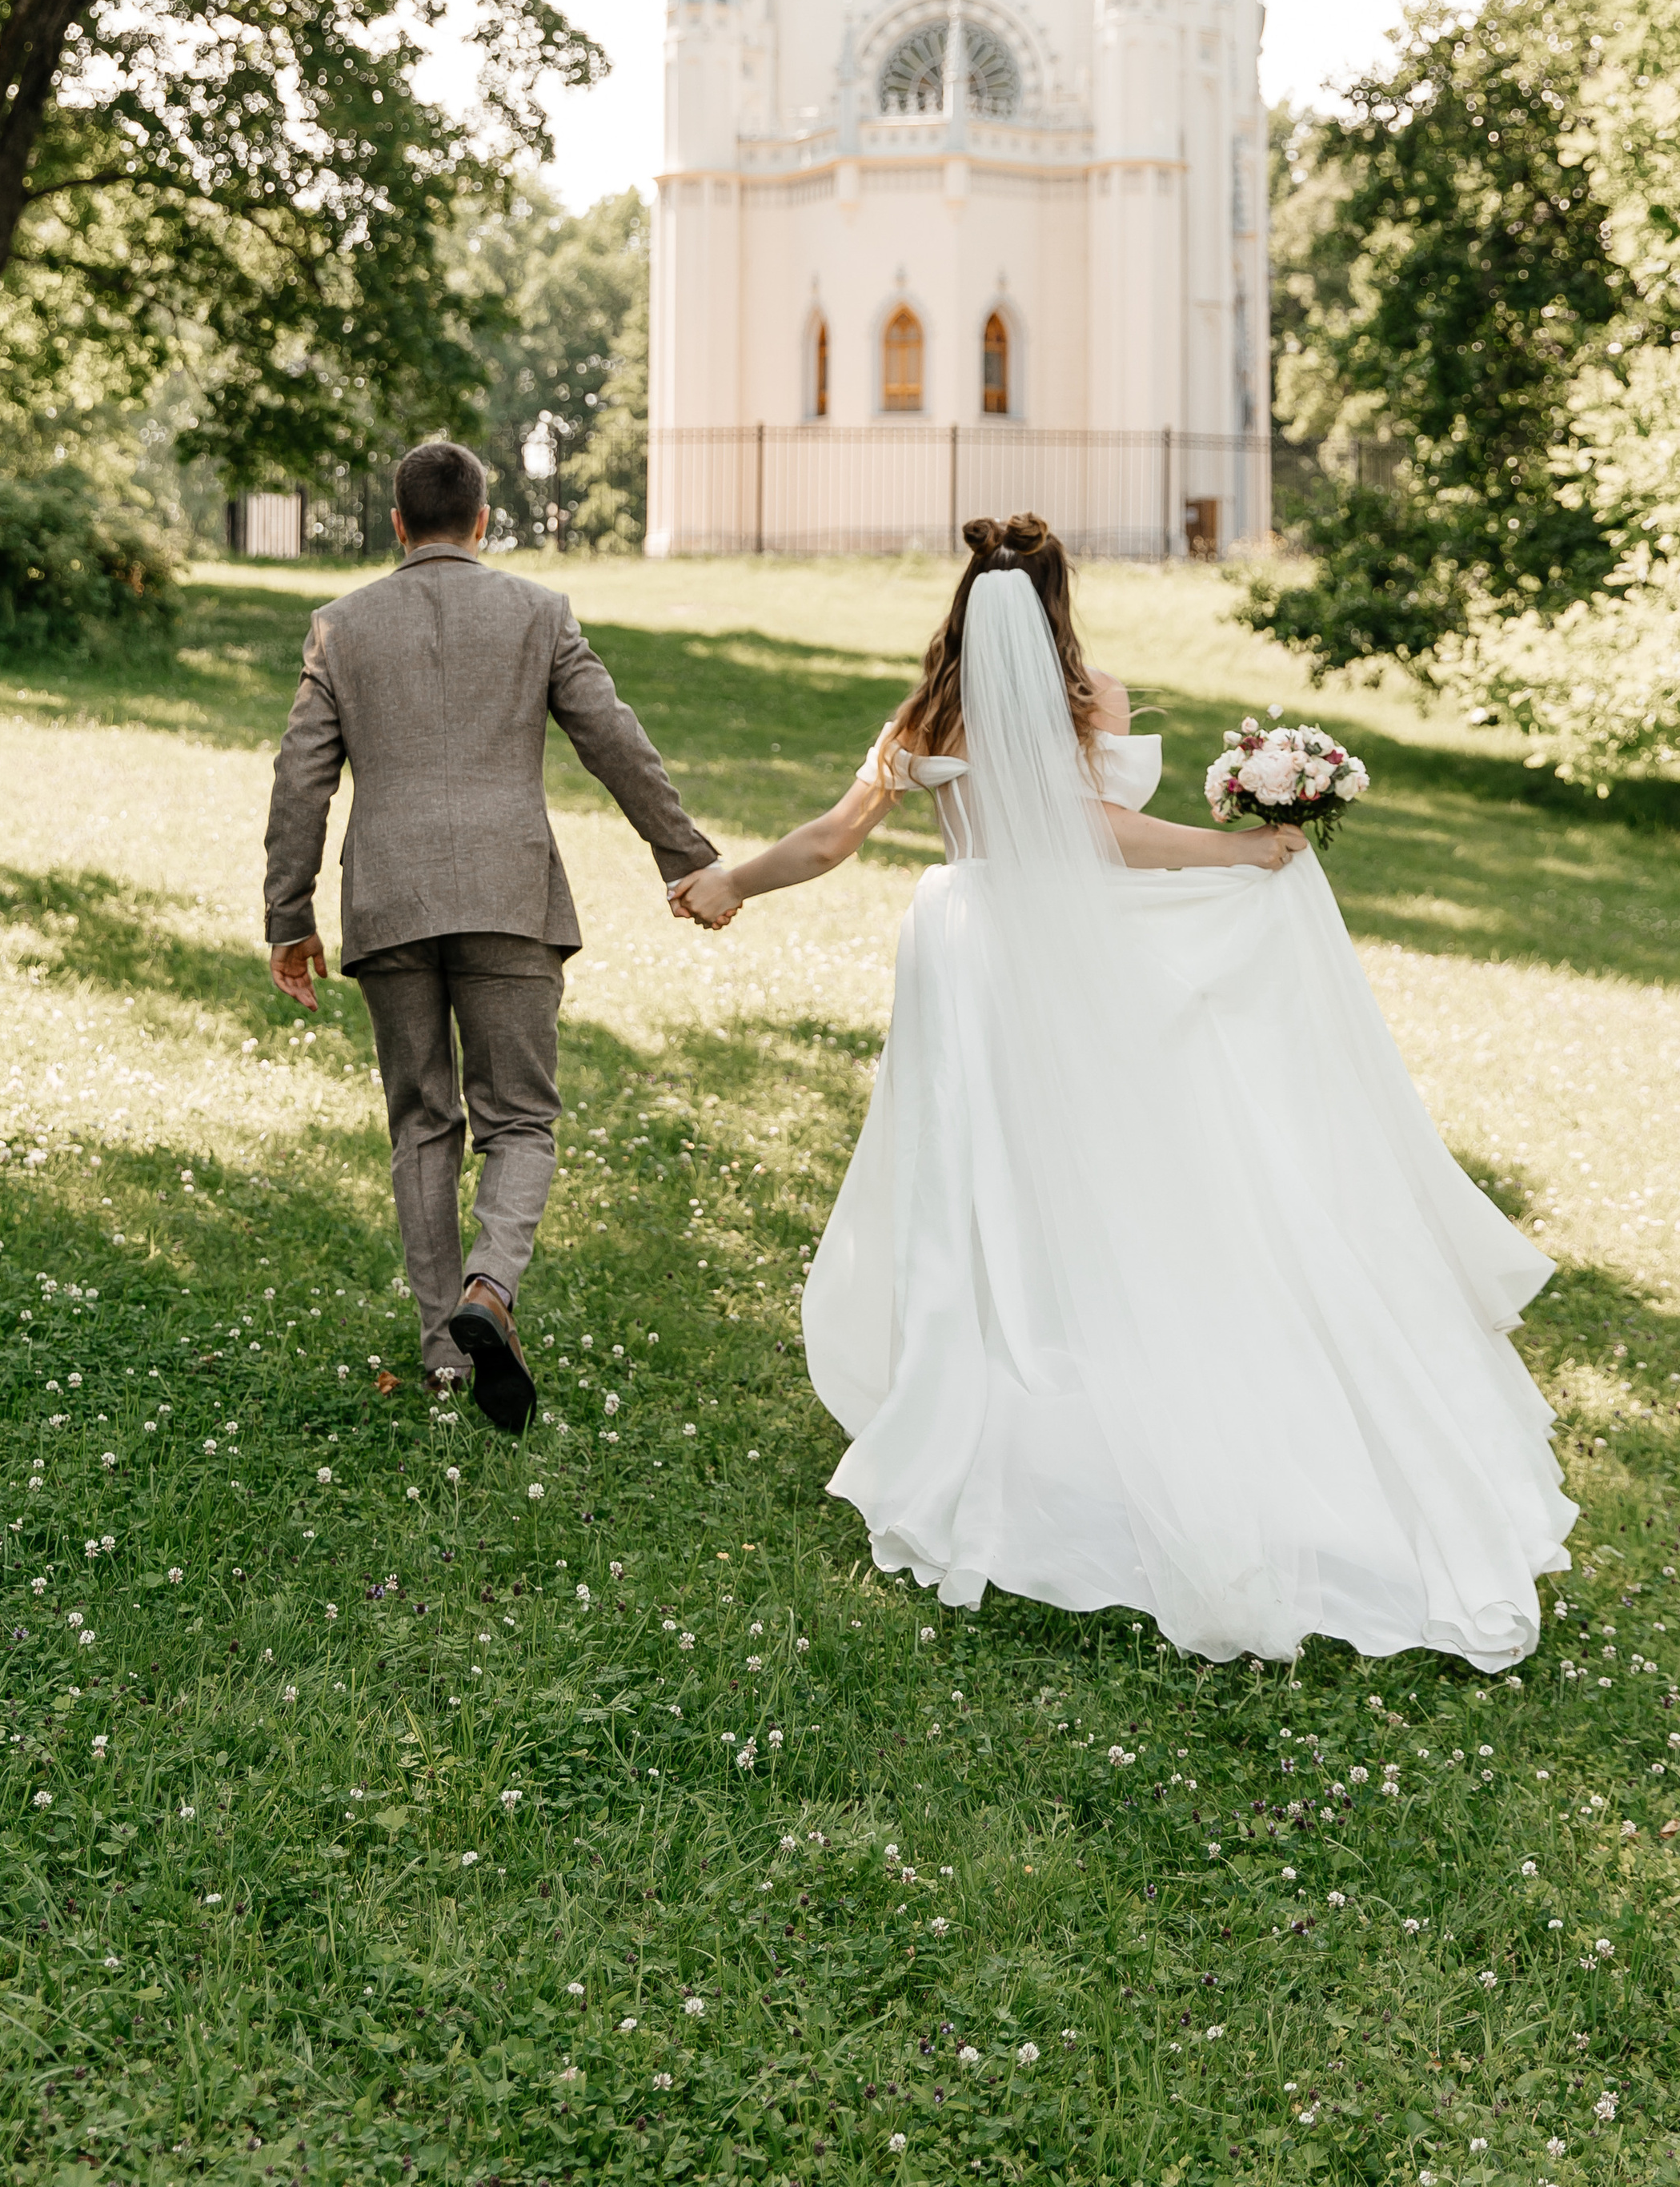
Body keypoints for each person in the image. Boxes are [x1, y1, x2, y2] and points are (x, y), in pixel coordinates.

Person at [668, 512, 1574, 1670]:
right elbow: (1096, 832)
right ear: (1057, 592)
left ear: (964, 594)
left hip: (962, 947)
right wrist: (1240, 851)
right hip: (1054, 949)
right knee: (1095, 1156)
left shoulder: (927, 712)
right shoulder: (1092, 692)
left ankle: (1003, 1359)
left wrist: (731, 884)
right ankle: (1079, 1350)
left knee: (984, 1166)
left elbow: (833, 841)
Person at [263, 435, 719, 1432]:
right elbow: (615, 740)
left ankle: (443, 1358)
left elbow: (302, 775)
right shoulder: (538, 612)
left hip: (388, 903)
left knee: (421, 1119)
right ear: (481, 520)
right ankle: (489, 1291)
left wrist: (287, 916)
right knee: (520, 1118)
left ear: (396, 525)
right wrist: (684, 855)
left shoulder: (340, 627)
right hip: (511, 895)